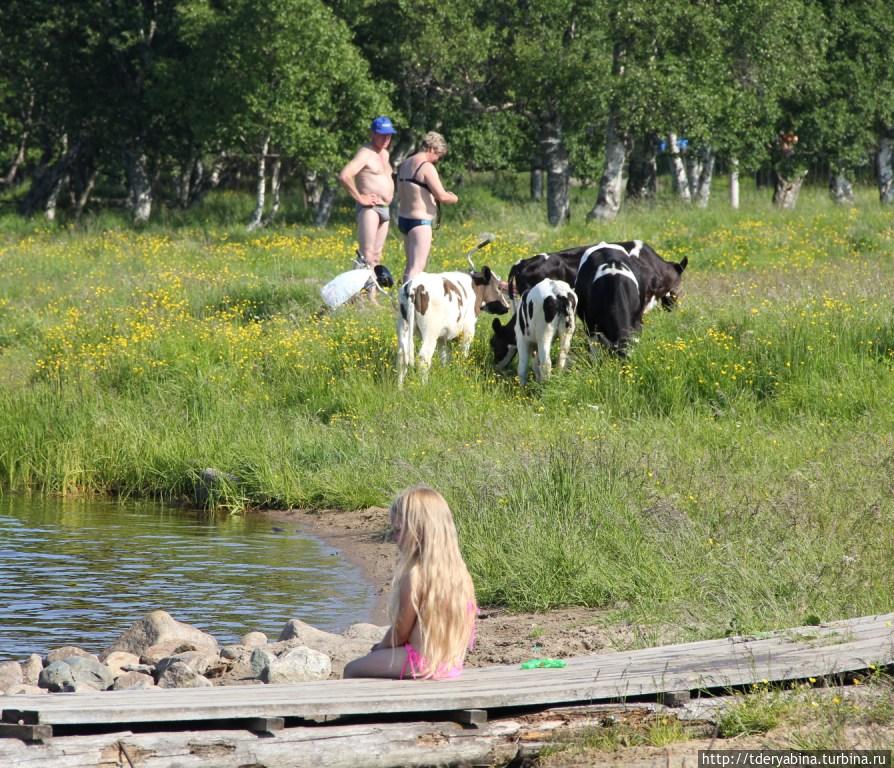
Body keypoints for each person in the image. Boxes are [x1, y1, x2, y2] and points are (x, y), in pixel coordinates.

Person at [343, 485, 477, 680]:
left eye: (398, 530)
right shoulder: (460, 573)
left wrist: (379, 648)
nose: (394, 538)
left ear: (419, 530)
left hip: (418, 660)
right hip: (448, 663)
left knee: (352, 669)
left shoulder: (415, 573)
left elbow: (401, 630)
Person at [396, 132, 459, 284]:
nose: (437, 160)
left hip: (404, 218)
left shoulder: (405, 164)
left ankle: (404, 298)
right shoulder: (426, 167)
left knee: (410, 266)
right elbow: (442, 196)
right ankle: (409, 302)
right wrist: (454, 197)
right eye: (438, 155)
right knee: (417, 268)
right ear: (431, 149)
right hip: (420, 222)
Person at [338, 116, 397, 271]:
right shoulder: (366, 153)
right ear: (373, 134)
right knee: (367, 255)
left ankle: (371, 295)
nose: (386, 139)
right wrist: (360, 198)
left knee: (377, 256)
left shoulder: (385, 154)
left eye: (389, 135)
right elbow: (345, 175)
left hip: (385, 208)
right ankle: (354, 292)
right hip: (370, 209)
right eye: (382, 135)